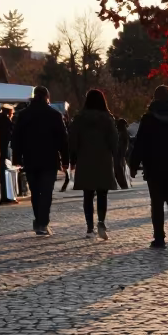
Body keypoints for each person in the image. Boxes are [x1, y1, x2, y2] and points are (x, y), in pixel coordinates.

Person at [130, 85, 168, 250]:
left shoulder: (148, 118)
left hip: (154, 166)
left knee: (157, 203)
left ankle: (159, 238)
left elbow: (140, 144)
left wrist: (134, 165)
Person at [12, 86, 68, 236]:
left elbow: (16, 137)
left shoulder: (24, 115)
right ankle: (43, 222)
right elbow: (63, 140)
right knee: (47, 192)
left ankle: (38, 220)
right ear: (47, 97)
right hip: (49, 159)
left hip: (30, 158)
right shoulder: (54, 115)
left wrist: (17, 157)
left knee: (35, 192)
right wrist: (65, 160)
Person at [69, 89, 118, 240]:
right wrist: (116, 156)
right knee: (102, 194)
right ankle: (101, 222)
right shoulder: (107, 119)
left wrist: (73, 159)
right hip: (103, 159)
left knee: (88, 195)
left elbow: (72, 140)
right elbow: (114, 141)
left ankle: (90, 228)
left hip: (85, 159)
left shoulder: (79, 119)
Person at [114, 117, 132, 190]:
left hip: (120, 154)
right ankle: (123, 184)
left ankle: (123, 184)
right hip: (120, 154)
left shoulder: (122, 133)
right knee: (120, 169)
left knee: (119, 169)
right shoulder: (123, 133)